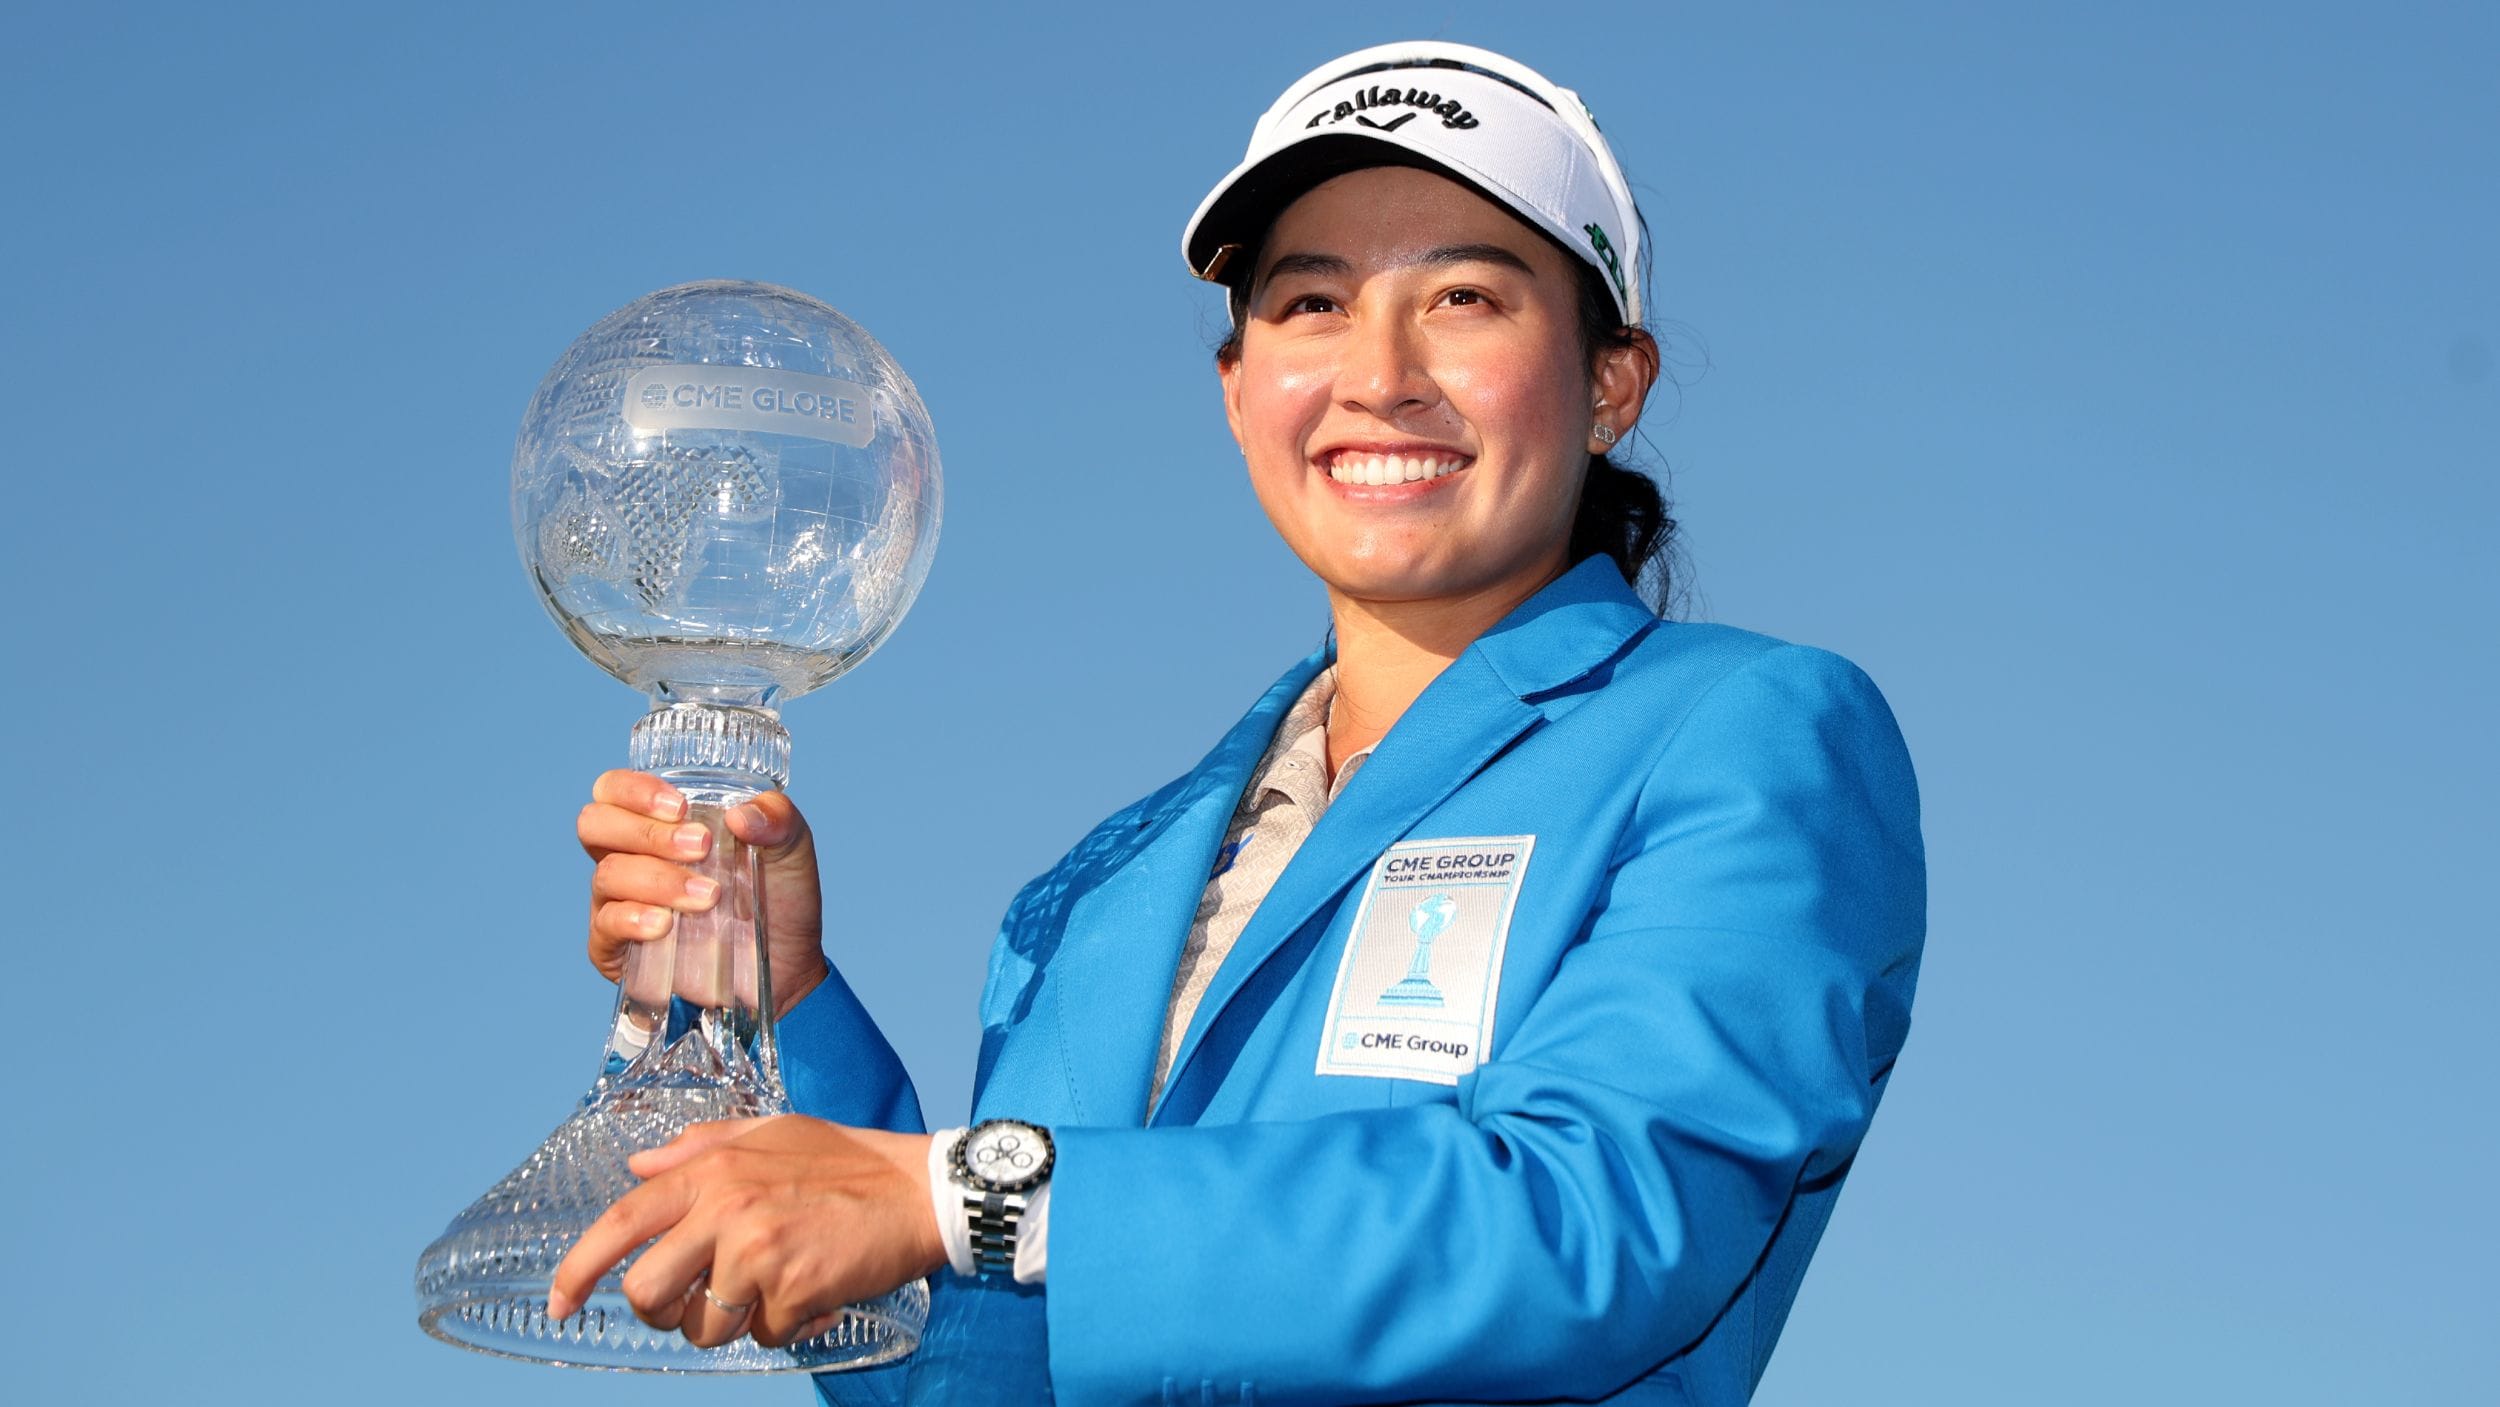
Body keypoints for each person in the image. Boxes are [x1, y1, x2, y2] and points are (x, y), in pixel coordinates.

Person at [548, 40, 1925, 1407]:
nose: (1380, 373)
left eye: (1464, 297)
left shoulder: (1747, 733)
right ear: (1236, 390)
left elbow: (1592, 1219)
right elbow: (973, 1381)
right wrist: (780, 1009)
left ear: (1612, 383)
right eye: (1312, 302)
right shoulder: (1101, 892)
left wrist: (957, 1190)